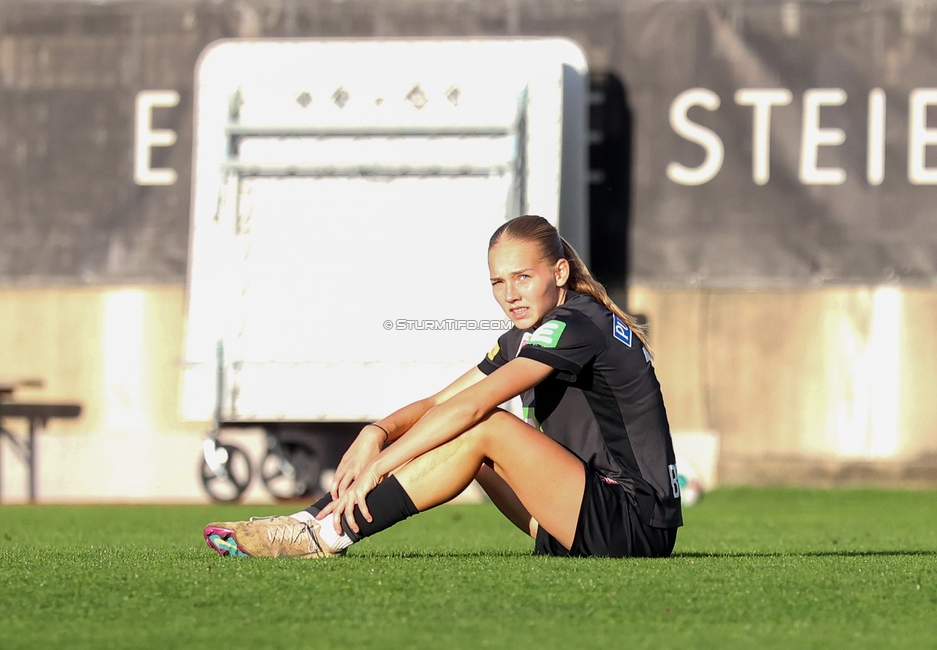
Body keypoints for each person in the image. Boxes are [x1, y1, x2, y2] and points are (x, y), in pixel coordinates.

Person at [204, 215, 682, 559]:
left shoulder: (575, 322)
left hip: (634, 523)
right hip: (586, 514)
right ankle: (309, 522)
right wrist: (376, 432)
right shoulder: (532, 329)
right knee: (458, 425)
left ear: (559, 273)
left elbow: (476, 408)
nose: (509, 294)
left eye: (523, 277)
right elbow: (442, 402)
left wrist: (383, 464)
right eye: (498, 281)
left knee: (485, 426)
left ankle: (325, 537)